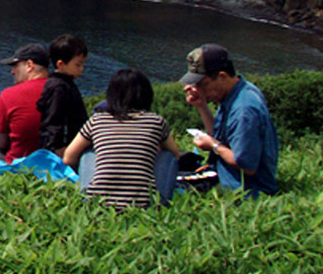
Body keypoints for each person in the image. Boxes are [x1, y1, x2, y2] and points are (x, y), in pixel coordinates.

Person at [64, 68, 182, 209]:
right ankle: (158, 199)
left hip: (97, 203)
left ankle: (89, 192)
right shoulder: (156, 121)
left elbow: (69, 157)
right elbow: (174, 154)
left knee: (88, 151)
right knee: (167, 155)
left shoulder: (97, 120)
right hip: (145, 203)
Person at [180, 43, 279, 197]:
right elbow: (221, 136)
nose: (198, 89)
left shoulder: (244, 110)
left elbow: (247, 166)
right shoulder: (238, 91)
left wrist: (213, 145)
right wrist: (202, 105)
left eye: (203, 85)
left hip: (245, 189)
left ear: (222, 77)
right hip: (224, 173)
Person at [0, 43, 50, 162]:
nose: (12, 71)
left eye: (16, 66)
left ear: (29, 65)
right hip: (54, 161)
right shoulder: (63, 90)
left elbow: (1, 142)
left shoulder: (9, 94)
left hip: (19, 162)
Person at [36, 33, 89, 155]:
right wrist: (57, 148)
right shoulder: (58, 87)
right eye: (78, 64)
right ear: (61, 64)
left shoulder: (64, 84)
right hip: (63, 148)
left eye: (82, 64)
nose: (82, 69)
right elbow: (53, 120)